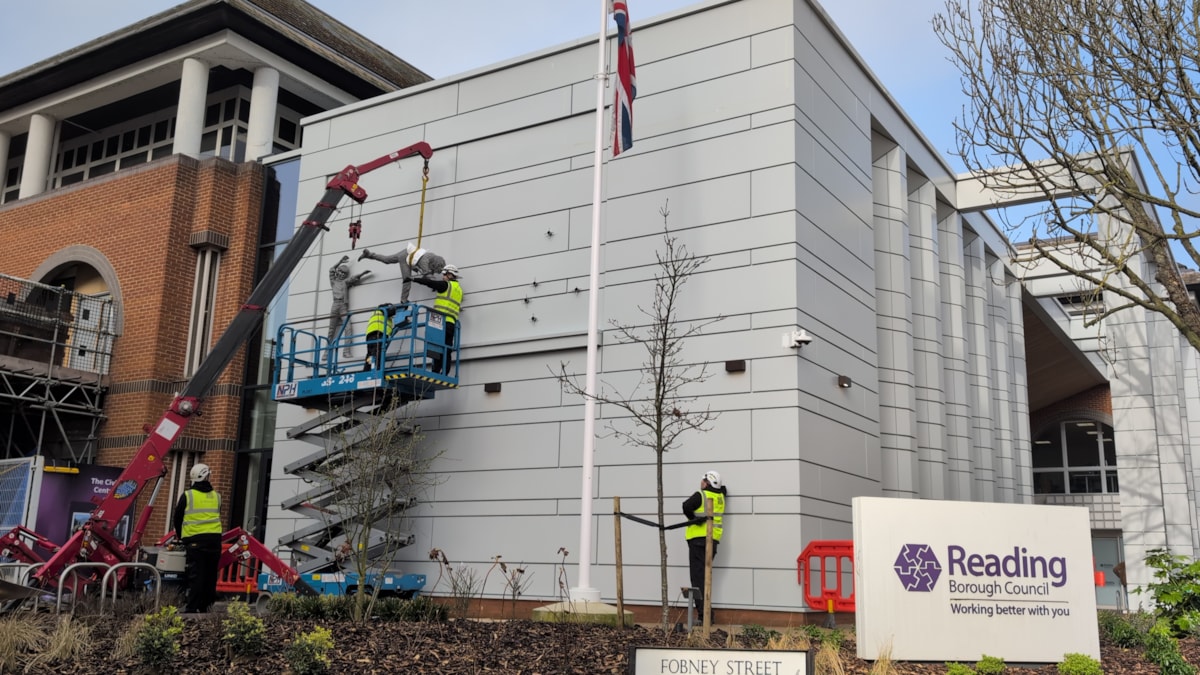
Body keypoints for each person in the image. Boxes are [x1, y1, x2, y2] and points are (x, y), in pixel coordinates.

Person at [172, 463, 223, 614]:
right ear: (207, 476)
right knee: (210, 574)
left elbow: (177, 518)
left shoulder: (188, 496)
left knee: (196, 574)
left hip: (194, 542)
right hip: (214, 541)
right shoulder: (217, 496)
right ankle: (205, 605)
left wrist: (182, 537)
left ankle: (192, 607)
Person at [682, 470, 726, 621]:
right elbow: (723, 489)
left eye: (703, 480)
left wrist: (692, 518)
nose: (701, 482)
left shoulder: (701, 495)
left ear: (706, 483)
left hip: (698, 540)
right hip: (712, 541)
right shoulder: (720, 496)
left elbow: (686, 506)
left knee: (698, 578)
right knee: (704, 577)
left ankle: (704, 615)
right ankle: (706, 613)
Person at [410, 264, 462, 375]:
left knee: (437, 346)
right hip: (451, 323)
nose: (443, 276)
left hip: (441, 322)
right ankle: (445, 371)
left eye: (444, 274)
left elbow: (430, 283)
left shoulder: (446, 285)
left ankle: (436, 371)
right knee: (446, 349)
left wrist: (414, 279)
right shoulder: (458, 289)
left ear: (449, 274)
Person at [358, 242, 446, 305]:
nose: (437, 272)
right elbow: (427, 274)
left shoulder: (432, 258)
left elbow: (429, 273)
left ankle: (369, 255)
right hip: (405, 257)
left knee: (387, 260)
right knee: (407, 279)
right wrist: (435, 285)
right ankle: (403, 300)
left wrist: (432, 280)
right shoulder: (426, 260)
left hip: (406, 253)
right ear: (436, 264)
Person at [327, 255, 371, 350]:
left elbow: (353, 279)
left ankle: (346, 350)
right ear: (337, 272)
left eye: (344, 274)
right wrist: (340, 261)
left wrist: (362, 274)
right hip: (335, 305)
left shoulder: (345, 282)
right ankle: (327, 351)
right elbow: (331, 270)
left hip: (343, 306)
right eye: (341, 272)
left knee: (348, 327)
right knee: (331, 329)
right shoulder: (333, 281)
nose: (342, 274)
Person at [363, 304, 395, 371]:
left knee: (370, 354)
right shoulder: (384, 310)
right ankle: (377, 369)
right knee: (377, 352)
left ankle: (366, 370)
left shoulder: (378, 312)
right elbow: (391, 311)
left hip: (371, 335)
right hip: (377, 334)